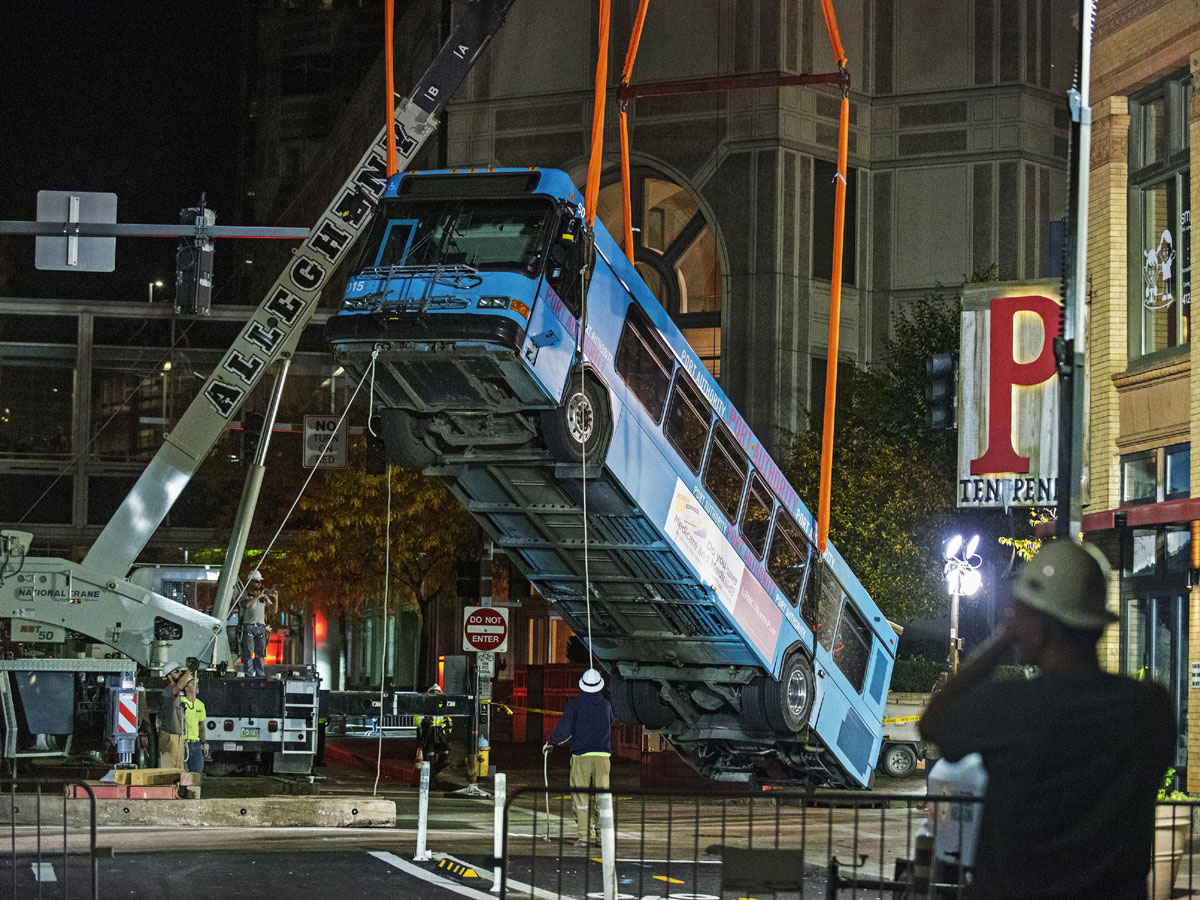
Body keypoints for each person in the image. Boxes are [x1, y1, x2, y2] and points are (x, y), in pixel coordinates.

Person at [919, 539, 1176, 900]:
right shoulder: (1149, 708)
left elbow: (934, 721)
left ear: (1038, 627)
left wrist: (1002, 636)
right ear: (1098, 625)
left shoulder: (1011, 707)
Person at [544, 667, 612, 849]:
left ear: (582, 685)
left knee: (581, 799)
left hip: (581, 756)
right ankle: (602, 837)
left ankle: (584, 838)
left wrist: (551, 742)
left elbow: (564, 732)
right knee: (602, 797)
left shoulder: (574, 705)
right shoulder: (606, 705)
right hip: (603, 757)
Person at [239, 571, 275, 677]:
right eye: (256, 582)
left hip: (260, 626)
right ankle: (249, 674)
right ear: (250, 582)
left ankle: (260, 673)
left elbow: (273, 610)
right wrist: (258, 596)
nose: (258, 585)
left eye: (259, 582)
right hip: (249, 625)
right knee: (248, 652)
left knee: (260, 653)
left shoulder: (263, 596)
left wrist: (275, 599)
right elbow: (246, 604)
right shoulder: (245, 594)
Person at [415, 684, 452, 786]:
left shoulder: (442, 706)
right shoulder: (423, 706)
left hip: (440, 737)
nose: (435, 695)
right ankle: (431, 782)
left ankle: (432, 776)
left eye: (437, 693)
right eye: (433, 693)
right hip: (429, 736)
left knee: (445, 757)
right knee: (430, 760)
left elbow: (448, 721)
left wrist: (448, 726)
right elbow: (417, 720)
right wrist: (425, 723)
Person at [158, 662, 191, 769]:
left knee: (177, 768)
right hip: (170, 735)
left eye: (181, 670)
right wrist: (190, 670)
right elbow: (179, 686)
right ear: (169, 676)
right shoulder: (168, 691)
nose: (181, 674)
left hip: (174, 735)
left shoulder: (173, 693)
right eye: (177, 672)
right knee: (170, 770)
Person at [182, 676, 208, 775]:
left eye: (196, 683)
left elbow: (201, 725)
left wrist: (204, 742)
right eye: (192, 684)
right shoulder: (181, 702)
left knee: (197, 775)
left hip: (196, 745)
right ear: (185, 687)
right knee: (184, 775)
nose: (196, 686)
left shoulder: (200, 705)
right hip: (183, 744)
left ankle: (195, 790)